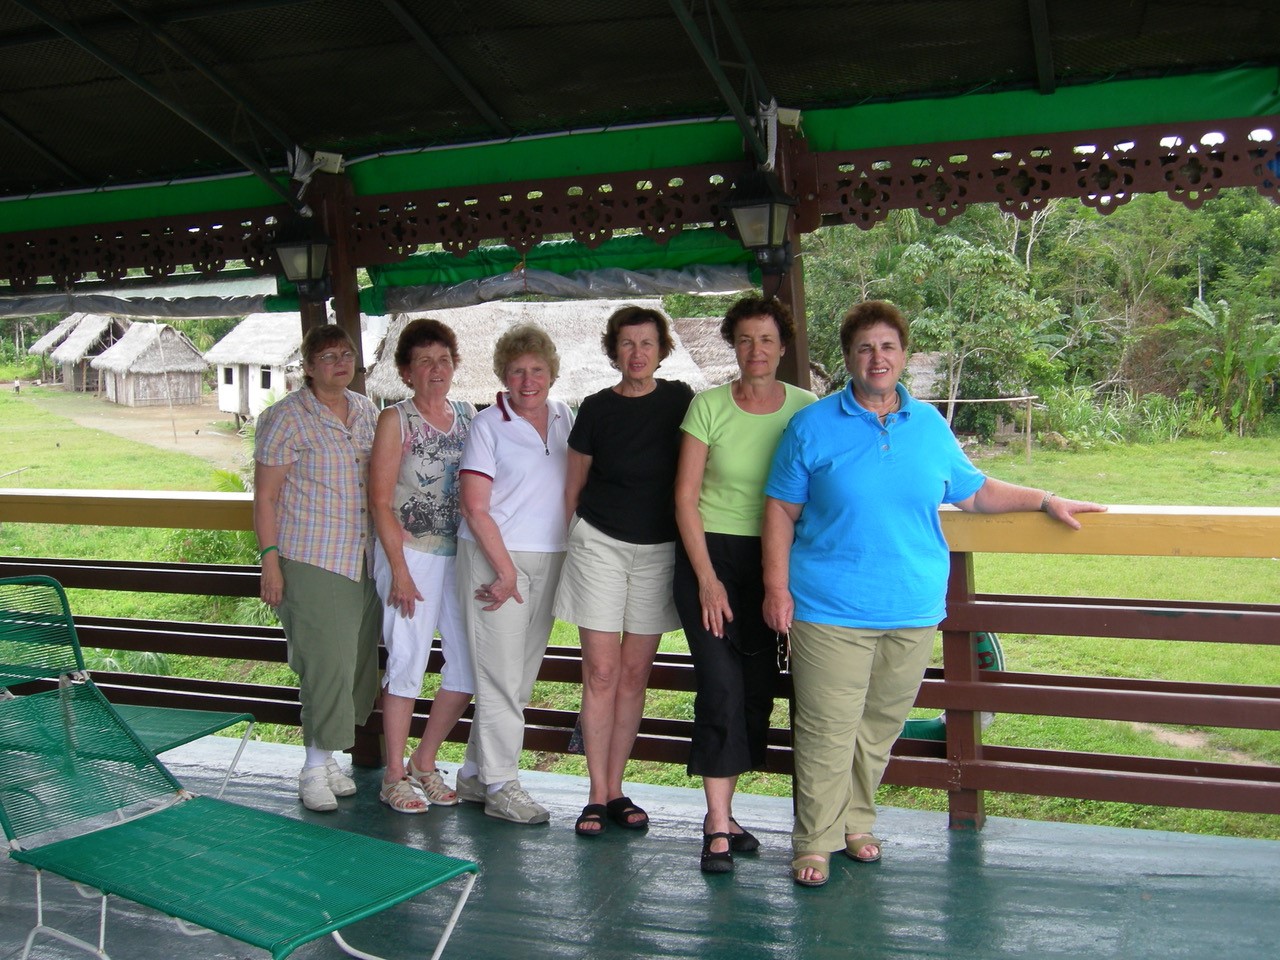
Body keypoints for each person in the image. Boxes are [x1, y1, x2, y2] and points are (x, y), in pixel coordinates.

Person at [762, 300, 1107, 887]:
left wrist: (1045, 498)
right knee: (826, 729)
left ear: (903, 356)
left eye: (888, 347)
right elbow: (780, 509)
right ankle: (814, 842)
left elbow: (974, 492)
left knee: (879, 727)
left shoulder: (928, 426)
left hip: (913, 607)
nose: (878, 358)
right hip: (829, 606)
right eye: (866, 347)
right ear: (848, 357)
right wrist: (776, 588)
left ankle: (856, 824)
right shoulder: (812, 426)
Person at [672, 296, 817, 873]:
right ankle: (715, 823)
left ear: (782, 348)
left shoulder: (808, 410)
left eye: (766, 340)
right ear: (733, 347)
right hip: (710, 558)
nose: (756, 351)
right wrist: (707, 579)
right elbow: (684, 497)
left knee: (758, 686)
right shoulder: (707, 407)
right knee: (720, 683)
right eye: (745, 340)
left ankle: (730, 817)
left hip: (776, 562)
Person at [554, 306, 694, 836]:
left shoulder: (682, 401)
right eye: (627, 344)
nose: (637, 353)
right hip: (600, 546)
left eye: (647, 343)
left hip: (659, 550)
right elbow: (573, 487)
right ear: (614, 350)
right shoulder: (594, 408)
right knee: (602, 672)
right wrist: (567, 542)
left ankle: (617, 787)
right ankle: (596, 793)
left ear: (661, 350)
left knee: (635, 674)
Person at [254, 324, 381, 813]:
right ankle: (311, 767)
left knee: (355, 666)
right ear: (308, 366)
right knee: (324, 664)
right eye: (328, 356)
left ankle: (329, 758)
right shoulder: (285, 418)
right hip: (312, 557)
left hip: (364, 559)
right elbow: (265, 497)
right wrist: (270, 563)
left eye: (346, 354)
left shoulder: (367, 411)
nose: (340, 362)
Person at [454, 324, 573, 824]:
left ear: (552, 373)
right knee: (500, 677)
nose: (528, 380)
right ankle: (504, 784)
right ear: (504, 374)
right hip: (493, 558)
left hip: (550, 557)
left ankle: (475, 774)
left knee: (518, 680)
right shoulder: (488, 424)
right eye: (518, 371)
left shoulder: (567, 416)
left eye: (538, 370)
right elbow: (475, 507)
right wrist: (504, 572)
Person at [369, 318, 476, 814]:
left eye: (444, 359)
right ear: (407, 371)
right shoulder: (396, 420)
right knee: (408, 664)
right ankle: (393, 775)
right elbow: (381, 502)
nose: (436, 369)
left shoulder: (468, 415)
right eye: (424, 361)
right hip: (409, 555)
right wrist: (401, 572)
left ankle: (424, 761)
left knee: (468, 666)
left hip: (461, 558)